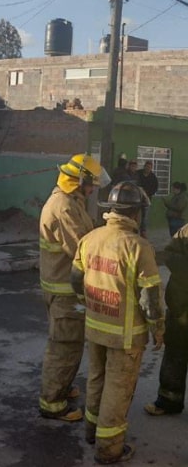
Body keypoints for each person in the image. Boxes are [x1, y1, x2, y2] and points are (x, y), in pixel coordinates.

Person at [72, 181, 164, 464]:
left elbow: (76, 282)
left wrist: (95, 307)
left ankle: (92, 431)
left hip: (96, 327)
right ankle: (109, 448)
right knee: (118, 389)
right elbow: (150, 298)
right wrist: (158, 328)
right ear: (136, 213)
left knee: (97, 379)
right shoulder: (138, 247)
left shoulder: (90, 238)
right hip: (126, 337)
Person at [38, 153, 108, 422]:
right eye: (91, 184)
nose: (92, 190)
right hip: (65, 291)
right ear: (78, 181)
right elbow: (82, 248)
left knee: (71, 343)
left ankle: (62, 388)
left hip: (65, 289)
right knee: (64, 346)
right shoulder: (63, 206)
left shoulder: (72, 201)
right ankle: (52, 402)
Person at [144, 221, 188, 418]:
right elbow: (169, 254)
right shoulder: (186, 231)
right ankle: (169, 401)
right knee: (174, 355)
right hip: (180, 307)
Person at [137, 162, 159, 237]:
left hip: (147, 200)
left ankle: (143, 231)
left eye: (149, 167)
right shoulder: (138, 174)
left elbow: (155, 188)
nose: (147, 168)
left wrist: (148, 194)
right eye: (146, 167)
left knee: (145, 217)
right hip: (136, 199)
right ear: (144, 166)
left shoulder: (153, 177)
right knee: (135, 215)